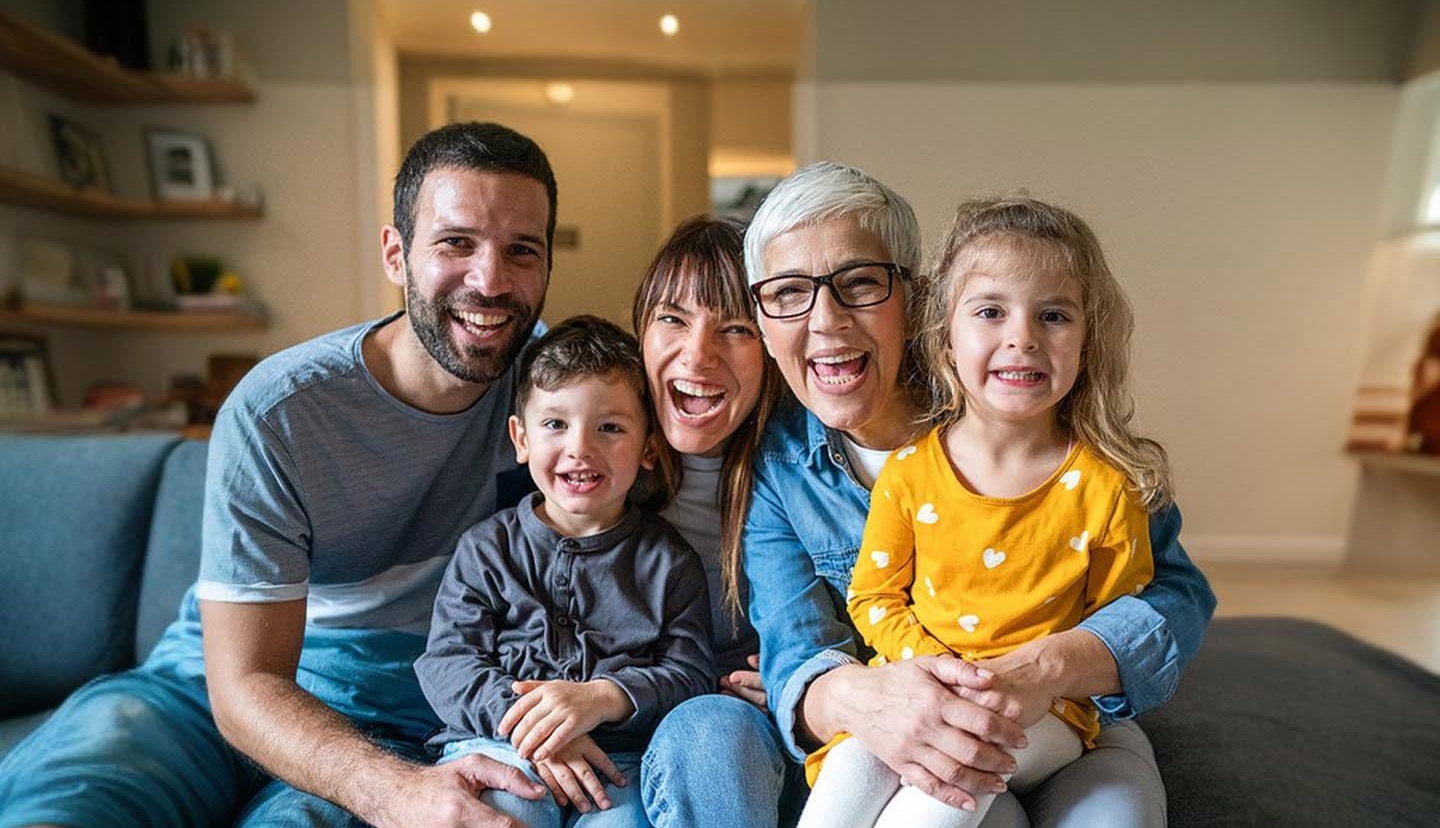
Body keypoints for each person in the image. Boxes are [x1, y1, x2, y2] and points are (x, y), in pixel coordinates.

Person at [0, 121, 562, 828]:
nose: (490, 280)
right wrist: (392, 792)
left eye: (522, 251)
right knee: (70, 804)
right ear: (395, 253)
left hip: (391, 719)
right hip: (203, 696)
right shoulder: (281, 411)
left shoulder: (557, 397)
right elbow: (245, 685)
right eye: (456, 242)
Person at [742, 162, 1217, 827]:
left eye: (859, 283)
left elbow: (1171, 595)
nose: (826, 319)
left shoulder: (1038, 416)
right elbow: (798, 649)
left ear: (917, 298)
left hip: (1066, 718)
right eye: (788, 292)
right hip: (895, 719)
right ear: (763, 322)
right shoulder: (786, 469)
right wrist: (877, 697)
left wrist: (1045, 669)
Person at [416, 315, 715, 828]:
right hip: (499, 748)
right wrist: (531, 730)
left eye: (610, 427)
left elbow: (689, 673)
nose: (581, 447)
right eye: (556, 424)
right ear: (521, 437)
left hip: (617, 764)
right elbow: (449, 662)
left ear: (648, 447)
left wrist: (606, 697)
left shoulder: (669, 562)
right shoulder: (486, 550)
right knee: (505, 812)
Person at [626, 217, 801, 828]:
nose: (697, 354)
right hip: (626, 729)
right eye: (672, 319)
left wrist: (800, 681)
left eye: (735, 328)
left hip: (755, 741)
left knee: (713, 734)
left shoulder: (805, 475)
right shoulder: (591, 461)